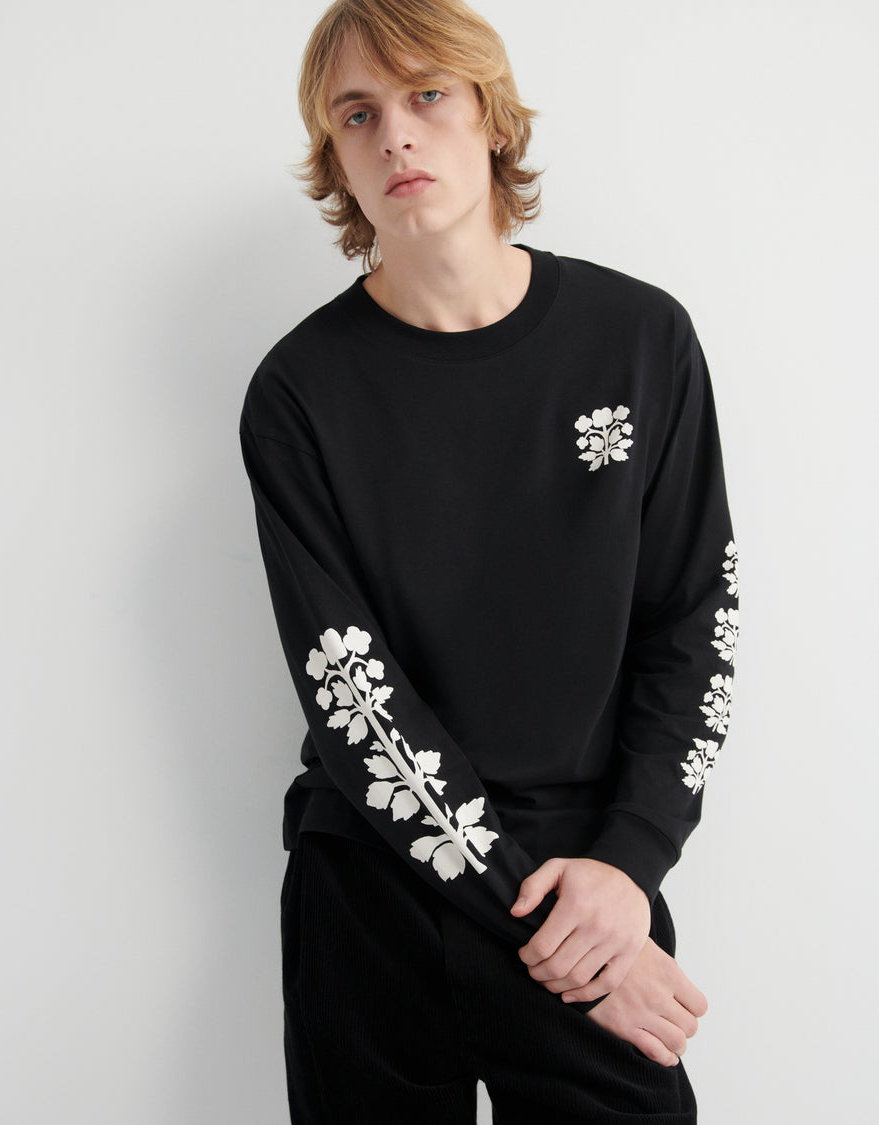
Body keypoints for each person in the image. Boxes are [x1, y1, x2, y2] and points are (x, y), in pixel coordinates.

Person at [239, 0, 737, 1120]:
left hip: (589, 878)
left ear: (492, 116)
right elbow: (353, 697)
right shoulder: (299, 394)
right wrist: (550, 918)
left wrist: (630, 864)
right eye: (357, 115)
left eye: (426, 95)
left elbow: (695, 619)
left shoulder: (640, 339)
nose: (396, 136)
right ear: (336, 160)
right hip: (375, 885)